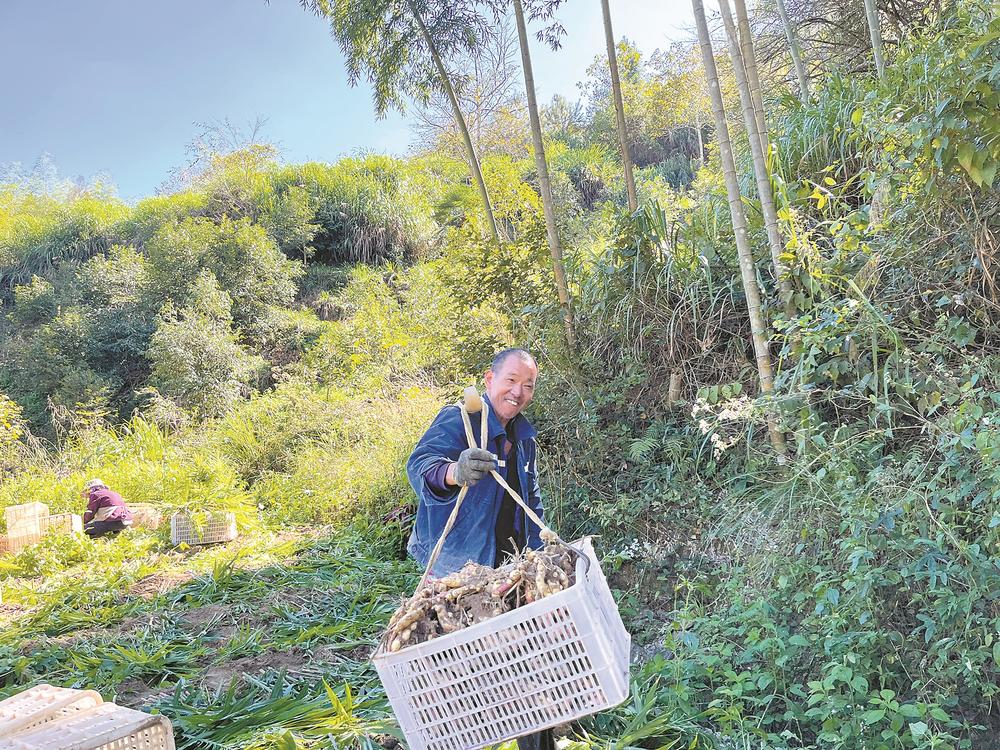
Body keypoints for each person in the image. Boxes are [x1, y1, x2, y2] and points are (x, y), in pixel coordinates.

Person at [406, 348, 554, 750]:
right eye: (510, 381)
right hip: (459, 568)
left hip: (511, 568)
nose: (518, 392)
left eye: (528, 385)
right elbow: (421, 466)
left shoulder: (522, 436)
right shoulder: (458, 420)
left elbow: (530, 495)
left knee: (527, 662)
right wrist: (455, 472)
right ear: (489, 380)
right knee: (450, 672)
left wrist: (544, 540)